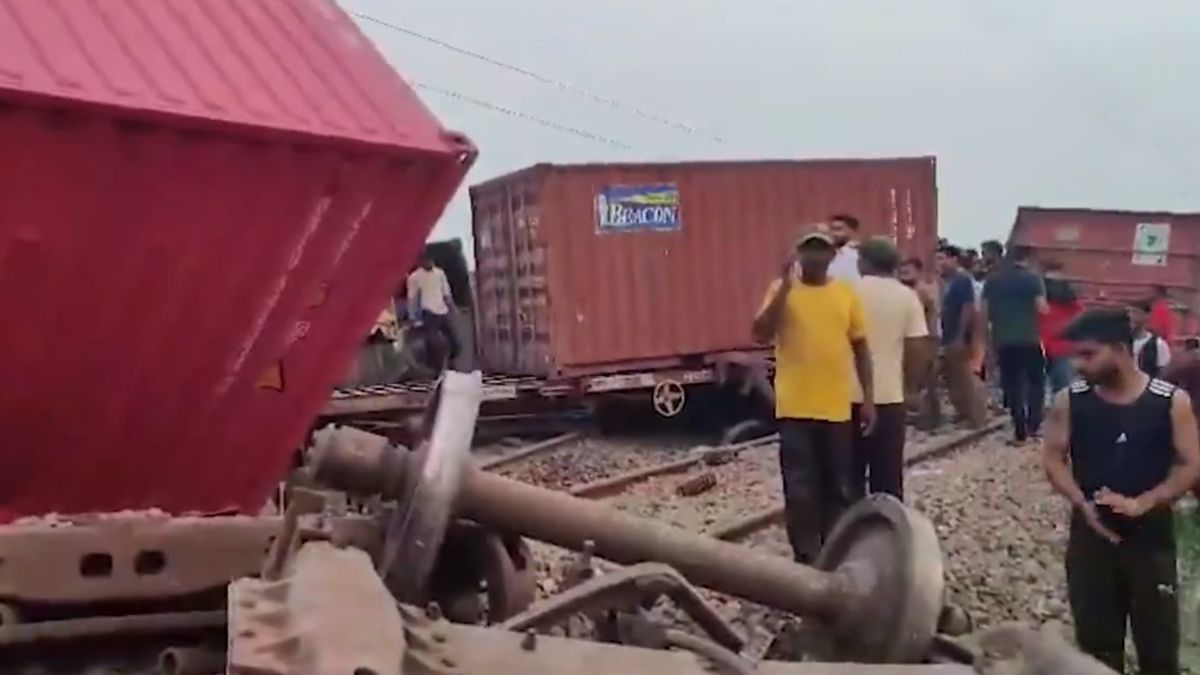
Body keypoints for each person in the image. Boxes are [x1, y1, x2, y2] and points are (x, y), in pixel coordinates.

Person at [1042, 308, 1200, 675]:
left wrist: (1145, 502)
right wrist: (1081, 503)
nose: (1079, 364)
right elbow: (1052, 457)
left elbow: (1191, 463)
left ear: (1120, 350)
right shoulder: (1071, 400)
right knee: (1096, 648)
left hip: (1151, 540)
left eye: (1088, 354)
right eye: (1076, 355)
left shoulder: (1170, 401)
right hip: (1091, 539)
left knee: (1159, 650)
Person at [753, 230, 875, 564]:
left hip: (836, 407)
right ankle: (806, 555)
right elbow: (760, 332)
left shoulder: (845, 294)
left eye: (821, 251)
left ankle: (835, 550)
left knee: (837, 485)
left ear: (832, 258)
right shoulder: (781, 291)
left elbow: (861, 348)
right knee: (800, 487)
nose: (815, 257)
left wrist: (867, 398)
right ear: (798, 256)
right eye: (808, 251)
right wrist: (784, 286)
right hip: (794, 407)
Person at [851, 239, 930, 501]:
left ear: (864, 261)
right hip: (890, 396)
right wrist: (912, 387)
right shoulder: (906, 297)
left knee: (848, 474)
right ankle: (887, 530)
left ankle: (848, 532)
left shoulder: (847, 291)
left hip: (846, 396)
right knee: (887, 475)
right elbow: (917, 346)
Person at [982, 245, 1048, 444]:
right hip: (1029, 339)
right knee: (1036, 383)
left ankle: (1019, 430)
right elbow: (1042, 308)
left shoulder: (992, 280)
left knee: (1012, 385)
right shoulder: (1032, 279)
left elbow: (983, 313)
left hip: (1003, 340)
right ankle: (1034, 425)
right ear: (1027, 259)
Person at [937, 245, 987, 428]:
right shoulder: (949, 281)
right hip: (949, 335)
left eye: (942, 259)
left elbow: (968, 308)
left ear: (954, 259)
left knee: (965, 378)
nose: (939, 264)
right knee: (954, 378)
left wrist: (960, 335)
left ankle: (976, 417)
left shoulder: (962, 280)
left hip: (959, 337)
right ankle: (963, 413)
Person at [899, 257, 942, 429]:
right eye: (902, 271)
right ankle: (919, 415)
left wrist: (932, 343)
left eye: (907, 271)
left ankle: (930, 418)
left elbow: (932, 318)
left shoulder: (922, 292)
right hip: (910, 340)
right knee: (913, 380)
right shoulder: (906, 291)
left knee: (926, 379)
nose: (903, 274)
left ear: (918, 271)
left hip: (924, 340)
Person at [407, 253, 460, 368]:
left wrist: (453, 308)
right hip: (428, 312)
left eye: (431, 261)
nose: (429, 264)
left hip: (442, 310)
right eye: (426, 262)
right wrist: (413, 317)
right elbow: (412, 299)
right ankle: (435, 366)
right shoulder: (415, 277)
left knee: (454, 342)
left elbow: (446, 294)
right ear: (421, 262)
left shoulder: (439, 273)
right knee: (433, 341)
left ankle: (451, 362)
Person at [1039, 260, 1083, 393]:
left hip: (1044, 349)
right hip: (1060, 350)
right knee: (1062, 390)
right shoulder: (1072, 301)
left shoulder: (1038, 299)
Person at [1130, 300, 1171, 377]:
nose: (1131, 316)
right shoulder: (1122, 342)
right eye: (1129, 312)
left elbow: (1163, 372)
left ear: (1147, 315)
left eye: (1135, 312)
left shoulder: (1158, 344)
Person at [826, 214, 861, 281]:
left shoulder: (858, 255)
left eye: (838, 229)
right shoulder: (826, 254)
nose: (833, 233)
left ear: (852, 231)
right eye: (831, 229)